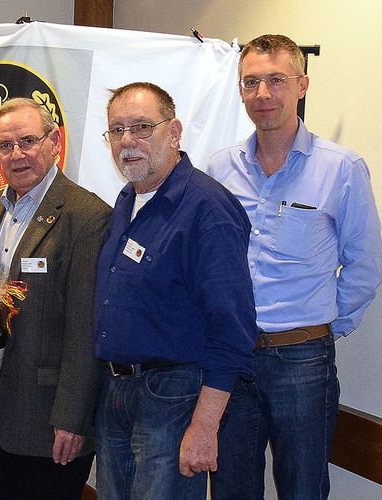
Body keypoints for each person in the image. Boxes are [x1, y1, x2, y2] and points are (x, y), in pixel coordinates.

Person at [207, 34, 382, 500]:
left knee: (302, 489)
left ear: (302, 85)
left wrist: (322, 325)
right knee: (229, 489)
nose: (263, 94)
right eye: (251, 82)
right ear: (240, 90)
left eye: (276, 80)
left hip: (303, 361)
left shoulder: (340, 167)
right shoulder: (220, 168)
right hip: (231, 358)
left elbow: (365, 264)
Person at [92, 82, 257, 499]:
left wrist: (205, 426)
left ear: (175, 131)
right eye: (117, 129)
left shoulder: (208, 208)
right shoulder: (128, 199)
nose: (127, 141)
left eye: (142, 127)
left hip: (172, 398)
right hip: (116, 393)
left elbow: (233, 328)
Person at [0, 97, 111, 499]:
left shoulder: (87, 215)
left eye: (28, 141)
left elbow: (86, 328)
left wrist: (73, 418)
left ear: (54, 142)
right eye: (5, 145)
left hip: (51, 420)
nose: (17, 154)